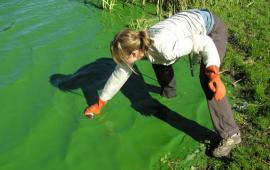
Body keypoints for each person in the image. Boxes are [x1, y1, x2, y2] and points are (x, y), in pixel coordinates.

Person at [84, 9, 241, 158]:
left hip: (211, 29)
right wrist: (101, 102)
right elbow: (119, 75)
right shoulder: (141, 43)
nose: (121, 63)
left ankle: (231, 134)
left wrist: (214, 75)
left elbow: (204, 43)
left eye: (122, 59)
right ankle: (169, 91)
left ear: (133, 53)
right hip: (190, 19)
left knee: (207, 81)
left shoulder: (164, 47)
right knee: (159, 61)